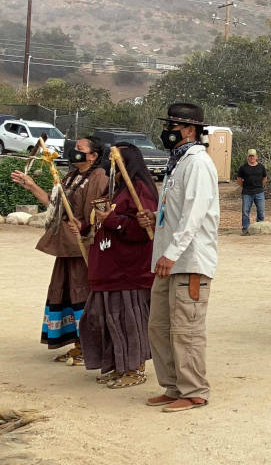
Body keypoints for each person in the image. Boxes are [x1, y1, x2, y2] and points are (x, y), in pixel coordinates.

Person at [140, 103, 219, 412]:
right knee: (159, 325)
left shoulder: (198, 163)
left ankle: (194, 390)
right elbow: (176, 213)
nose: (167, 132)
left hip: (189, 261)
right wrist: (154, 217)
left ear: (189, 131)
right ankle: (173, 386)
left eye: (173, 127)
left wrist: (171, 253)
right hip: (168, 260)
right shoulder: (178, 163)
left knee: (186, 328)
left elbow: (194, 216)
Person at [11, 136, 110, 365]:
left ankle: (90, 347)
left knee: (82, 292)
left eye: (80, 148)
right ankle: (77, 344)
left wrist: (83, 227)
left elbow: (97, 215)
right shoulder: (71, 176)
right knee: (66, 291)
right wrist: (31, 185)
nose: (74, 151)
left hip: (83, 247)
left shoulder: (98, 178)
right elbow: (55, 206)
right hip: (66, 246)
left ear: (93, 156)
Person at [78, 143, 158, 388]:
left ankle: (134, 369)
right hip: (108, 266)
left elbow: (143, 228)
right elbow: (103, 222)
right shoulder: (116, 190)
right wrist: (83, 226)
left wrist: (112, 220)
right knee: (105, 318)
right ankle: (118, 366)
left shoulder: (140, 189)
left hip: (128, 269)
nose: (109, 165)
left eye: (115, 160)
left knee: (127, 320)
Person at [236, 148, 267, 236]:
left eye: (253, 156)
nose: (252, 157)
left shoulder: (261, 167)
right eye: (250, 156)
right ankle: (245, 229)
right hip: (247, 192)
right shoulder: (243, 168)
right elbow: (239, 180)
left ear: (256, 157)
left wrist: (259, 186)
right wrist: (245, 186)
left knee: (261, 211)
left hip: (259, 192)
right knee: (245, 211)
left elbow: (265, 178)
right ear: (247, 157)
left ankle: (259, 228)